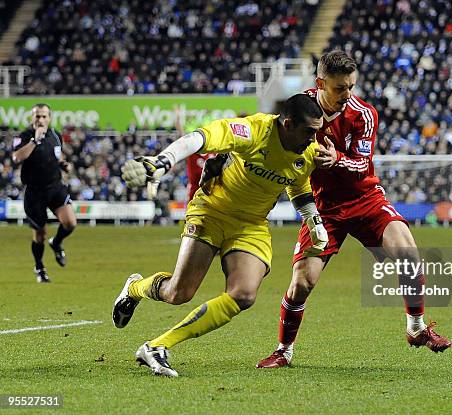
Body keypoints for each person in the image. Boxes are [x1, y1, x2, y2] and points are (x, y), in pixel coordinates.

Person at [257, 51, 452, 369]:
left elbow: (362, 164)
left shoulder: (364, 114)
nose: (347, 94)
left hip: (366, 198)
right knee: (302, 282)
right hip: (323, 208)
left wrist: (338, 160)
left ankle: (416, 327)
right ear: (320, 83)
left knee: (408, 254)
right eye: (339, 88)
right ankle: (283, 350)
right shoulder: (298, 110)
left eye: (351, 86)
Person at [112, 94, 328, 377]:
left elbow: (297, 188)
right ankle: (135, 288)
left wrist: (314, 221)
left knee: (244, 294)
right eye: (309, 132)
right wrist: (163, 161)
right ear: (287, 124)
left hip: (251, 225)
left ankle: (156, 346)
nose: (314, 139)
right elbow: (200, 138)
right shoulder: (254, 130)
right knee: (179, 293)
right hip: (212, 211)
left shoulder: (307, 153)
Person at [11, 103, 77, 283]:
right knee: (40, 234)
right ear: (32, 118)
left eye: (43, 116)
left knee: (70, 222)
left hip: (54, 186)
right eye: (37, 116)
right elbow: (17, 157)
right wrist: (35, 140)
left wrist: (63, 164)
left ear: (49, 118)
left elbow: (58, 154)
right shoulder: (23, 136)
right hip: (34, 191)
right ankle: (39, 267)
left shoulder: (55, 135)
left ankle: (56, 243)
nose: (40, 119)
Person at [173, 106, 215, 201]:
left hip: (212, 194)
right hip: (195, 194)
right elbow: (182, 134)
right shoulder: (193, 150)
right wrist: (178, 118)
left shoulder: (214, 151)